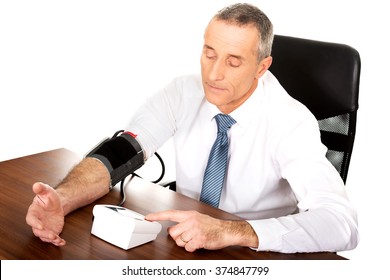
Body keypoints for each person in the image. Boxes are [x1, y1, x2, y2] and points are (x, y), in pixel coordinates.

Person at [26, 3, 359, 254]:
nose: (213, 74)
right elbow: (122, 151)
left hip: (252, 252)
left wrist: (231, 232)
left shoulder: (291, 122)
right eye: (209, 53)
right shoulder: (183, 92)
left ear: (262, 67)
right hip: (182, 241)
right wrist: (63, 199)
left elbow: (342, 224)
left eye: (233, 61)